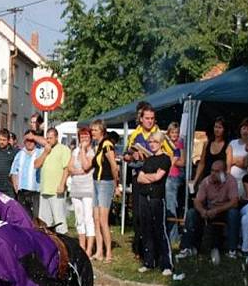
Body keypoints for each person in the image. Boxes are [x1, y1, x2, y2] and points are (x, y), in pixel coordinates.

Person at [123, 103, 172, 258]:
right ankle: (141, 250)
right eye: (147, 118)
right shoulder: (135, 135)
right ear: (141, 119)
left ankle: (157, 251)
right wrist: (133, 156)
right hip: (139, 177)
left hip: (156, 179)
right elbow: (125, 155)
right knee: (139, 215)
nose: (150, 121)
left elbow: (173, 153)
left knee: (155, 216)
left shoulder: (160, 134)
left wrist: (160, 161)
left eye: (152, 118)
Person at [176, 159, 240, 262]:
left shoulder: (231, 181)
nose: (213, 174)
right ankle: (187, 247)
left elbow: (234, 202)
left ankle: (232, 250)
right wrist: (202, 211)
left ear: (223, 172)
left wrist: (217, 210)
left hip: (224, 210)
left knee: (234, 213)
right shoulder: (206, 181)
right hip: (209, 210)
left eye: (216, 171)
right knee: (191, 213)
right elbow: (197, 201)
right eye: (212, 171)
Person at [135, 131, 173, 275]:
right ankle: (149, 261)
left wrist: (148, 177)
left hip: (157, 197)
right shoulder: (149, 160)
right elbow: (139, 178)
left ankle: (166, 264)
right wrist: (149, 177)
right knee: (146, 229)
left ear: (161, 143)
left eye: (155, 142)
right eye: (150, 142)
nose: (152, 144)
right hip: (144, 196)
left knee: (160, 229)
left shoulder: (165, 159)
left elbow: (158, 177)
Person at [92, 122, 120, 262]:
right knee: (96, 219)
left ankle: (108, 252)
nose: (93, 132)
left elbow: (114, 166)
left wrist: (117, 185)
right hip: (96, 182)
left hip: (105, 183)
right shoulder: (98, 145)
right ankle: (99, 251)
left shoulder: (107, 144)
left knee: (103, 219)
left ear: (102, 131)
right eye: (92, 130)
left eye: (95, 130)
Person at [35, 127, 70, 235]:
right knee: (44, 220)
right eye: (47, 138)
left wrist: (62, 184)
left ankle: (64, 241)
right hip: (44, 189)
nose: (49, 140)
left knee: (59, 219)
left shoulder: (64, 149)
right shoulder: (44, 149)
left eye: (51, 138)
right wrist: (45, 152)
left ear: (56, 137)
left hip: (56, 190)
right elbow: (36, 165)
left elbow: (66, 168)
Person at [68, 126, 96, 256]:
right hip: (76, 188)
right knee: (79, 219)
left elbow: (86, 165)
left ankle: (89, 248)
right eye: (82, 136)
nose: (84, 139)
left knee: (88, 218)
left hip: (88, 189)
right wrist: (78, 171)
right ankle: (81, 247)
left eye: (86, 136)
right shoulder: (75, 151)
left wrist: (84, 150)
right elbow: (70, 168)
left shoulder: (92, 151)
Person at [9, 129, 43, 218]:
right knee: (24, 218)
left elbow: (47, 143)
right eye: (27, 140)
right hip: (22, 192)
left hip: (35, 191)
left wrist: (34, 137)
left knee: (36, 218)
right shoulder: (19, 154)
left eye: (32, 140)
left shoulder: (40, 152)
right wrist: (16, 187)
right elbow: (14, 172)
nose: (29, 142)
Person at [191, 116, 230, 188]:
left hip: (220, 181)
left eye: (220, 127)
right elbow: (202, 163)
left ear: (224, 130)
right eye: (216, 127)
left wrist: (225, 185)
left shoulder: (228, 146)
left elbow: (228, 168)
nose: (217, 130)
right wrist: (195, 180)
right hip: (207, 178)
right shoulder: (207, 144)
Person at [165, 121, 185, 243]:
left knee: (171, 205)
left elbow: (183, 162)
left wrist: (170, 160)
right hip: (165, 175)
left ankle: (173, 236)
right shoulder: (165, 143)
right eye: (172, 132)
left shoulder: (179, 144)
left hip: (174, 176)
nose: (174, 135)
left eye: (176, 132)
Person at [228, 118, 248, 197]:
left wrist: (233, 160)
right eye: (244, 128)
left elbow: (246, 163)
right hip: (230, 179)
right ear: (240, 129)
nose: (245, 131)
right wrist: (239, 160)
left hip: (243, 181)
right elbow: (227, 161)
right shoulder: (232, 143)